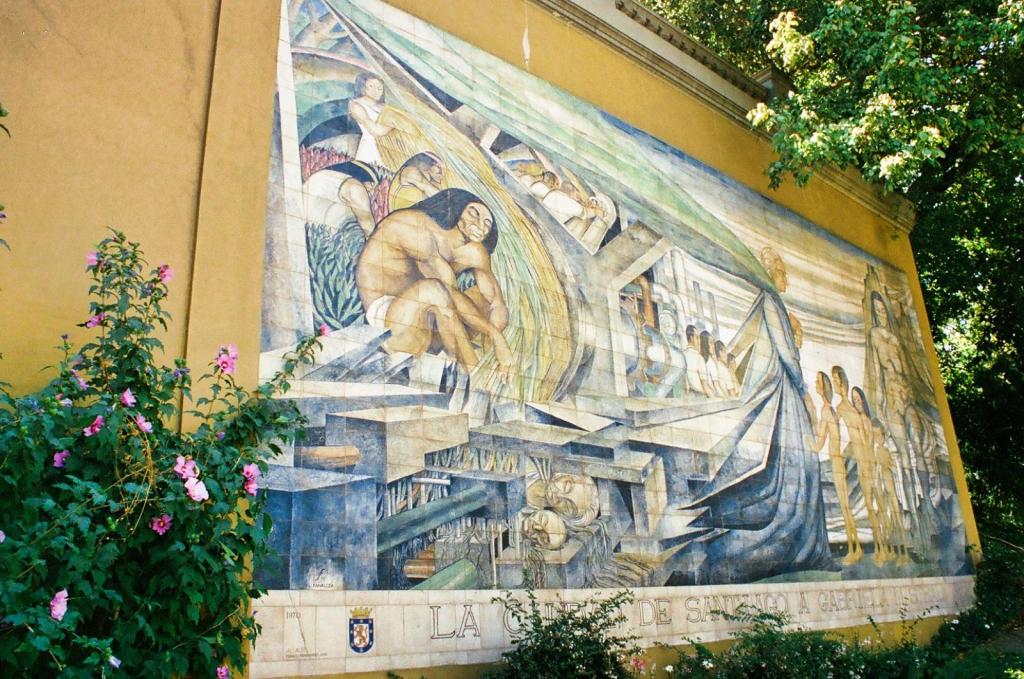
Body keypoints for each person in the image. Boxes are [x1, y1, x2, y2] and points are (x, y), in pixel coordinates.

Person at [355, 188, 513, 376]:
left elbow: (496, 304)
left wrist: (496, 346)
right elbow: (446, 293)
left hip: (432, 322)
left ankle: (468, 360)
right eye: (473, 213)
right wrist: (495, 335)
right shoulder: (415, 226)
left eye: (487, 222)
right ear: (456, 207)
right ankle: (474, 372)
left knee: (480, 297)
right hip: (391, 325)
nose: (480, 224)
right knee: (433, 290)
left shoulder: (474, 251)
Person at [813, 371, 862, 564]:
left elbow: (818, 444)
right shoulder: (831, 410)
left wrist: (806, 441)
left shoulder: (826, 411)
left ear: (823, 387)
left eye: (818, 382)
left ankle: (854, 549)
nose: (816, 385)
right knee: (846, 509)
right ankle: (855, 548)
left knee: (845, 509)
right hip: (838, 461)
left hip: (836, 462)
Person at [303, 160, 380, 237]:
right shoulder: (354, 186)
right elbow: (355, 189)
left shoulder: (324, 179)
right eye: (371, 185)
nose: (371, 193)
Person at [348, 73, 393, 166]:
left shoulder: (384, 107)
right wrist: (395, 124)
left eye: (379, 88)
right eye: (371, 86)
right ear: (362, 87)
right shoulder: (356, 104)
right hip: (370, 149)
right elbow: (375, 131)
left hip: (387, 150)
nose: (375, 91)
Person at [682, 325, 708, 396]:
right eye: (697, 337)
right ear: (691, 338)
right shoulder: (698, 357)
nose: (699, 341)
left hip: (687, 396)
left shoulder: (682, 355)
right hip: (699, 395)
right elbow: (705, 386)